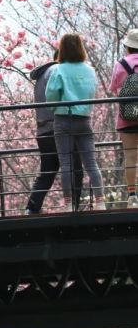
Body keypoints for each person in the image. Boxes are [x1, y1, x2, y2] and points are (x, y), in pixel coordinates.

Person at [45, 33, 106, 212]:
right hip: (84, 119)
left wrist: (56, 108)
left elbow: (51, 96)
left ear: (62, 49)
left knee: (66, 163)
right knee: (91, 163)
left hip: (63, 119)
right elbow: (91, 92)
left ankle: (69, 203)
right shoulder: (90, 70)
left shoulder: (58, 70)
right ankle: (101, 201)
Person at [25, 49, 83, 214]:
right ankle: (74, 208)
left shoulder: (43, 75)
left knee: (47, 172)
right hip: (60, 129)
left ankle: (31, 208)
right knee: (75, 170)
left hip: (44, 131)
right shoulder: (59, 71)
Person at [109, 29, 138, 209]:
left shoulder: (120, 64)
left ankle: (132, 196)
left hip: (127, 118)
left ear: (127, 47)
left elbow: (114, 88)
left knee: (130, 156)